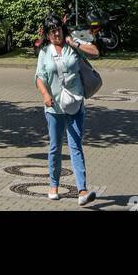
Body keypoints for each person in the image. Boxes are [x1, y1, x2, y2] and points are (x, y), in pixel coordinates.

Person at [34, 13, 100, 204]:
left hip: (75, 104)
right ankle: (53, 185)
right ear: (47, 34)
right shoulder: (44, 52)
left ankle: (82, 191)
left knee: (76, 146)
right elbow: (39, 77)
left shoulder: (72, 46)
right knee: (55, 148)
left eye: (58, 29)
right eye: (52, 31)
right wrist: (45, 95)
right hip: (54, 108)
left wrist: (75, 44)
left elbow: (95, 52)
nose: (56, 33)